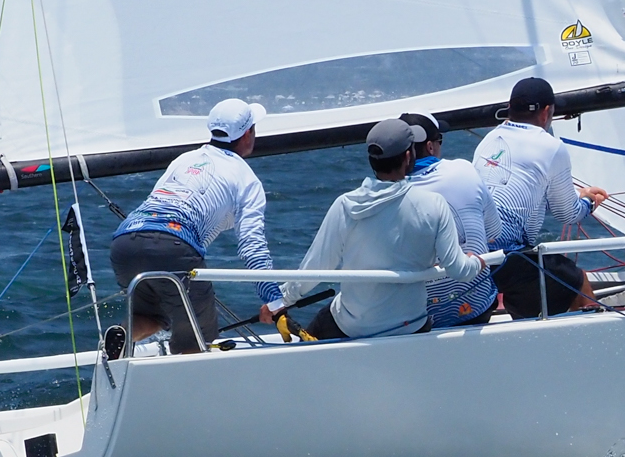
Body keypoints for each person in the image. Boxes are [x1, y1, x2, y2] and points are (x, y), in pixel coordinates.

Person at [109, 98, 283, 353]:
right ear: (247, 134)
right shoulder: (246, 178)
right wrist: (274, 300)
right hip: (173, 244)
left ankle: (122, 335)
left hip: (125, 241)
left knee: (153, 315)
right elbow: (252, 246)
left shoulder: (185, 159)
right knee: (199, 342)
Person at [289, 118, 489, 339]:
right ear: (408, 156)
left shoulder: (345, 205)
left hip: (354, 326)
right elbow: (459, 270)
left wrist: (281, 301)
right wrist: (476, 262)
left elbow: (315, 268)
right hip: (410, 324)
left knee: (315, 331)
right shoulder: (433, 204)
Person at [474, 76, 610, 318]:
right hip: (504, 256)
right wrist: (589, 202)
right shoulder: (551, 146)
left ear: (510, 107)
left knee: (531, 277)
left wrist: (576, 194)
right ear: (547, 112)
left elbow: (518, 197)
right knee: (577, 281)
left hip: (471, 252)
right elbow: (568, 214)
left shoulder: (489, 140)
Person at [400, 111, 500, 328]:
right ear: (430, 147)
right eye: (440, 140)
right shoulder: (464, 169)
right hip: (477, 308)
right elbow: (493, 232)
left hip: (418, 320)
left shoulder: (389, 195)